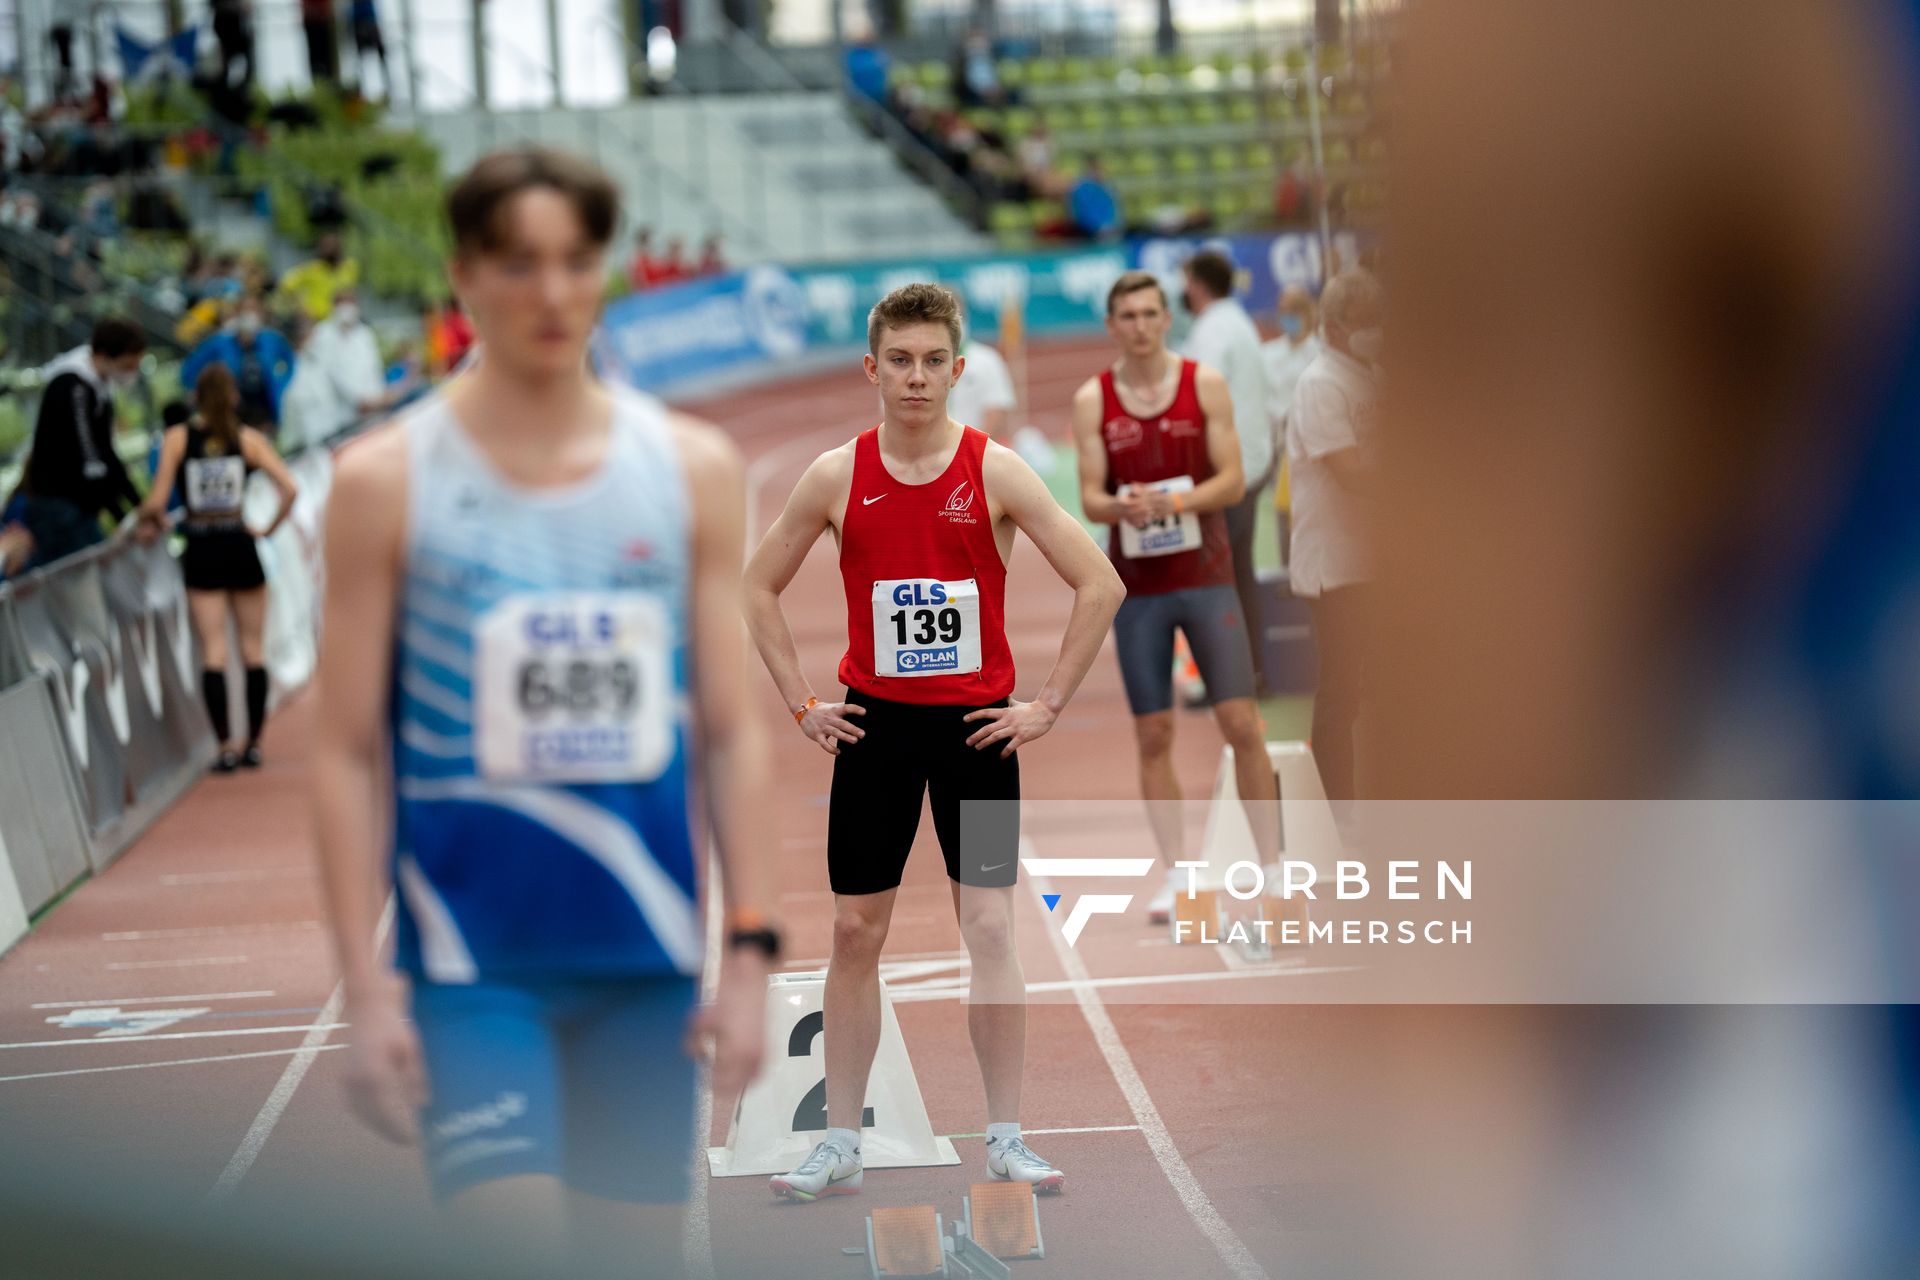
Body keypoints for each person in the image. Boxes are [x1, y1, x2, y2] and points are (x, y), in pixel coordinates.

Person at [310, 146, 774, 1268]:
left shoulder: (691, 468)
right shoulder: (384, 482)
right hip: (474, 967)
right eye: (519, 265)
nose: (553, 294)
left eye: (576, 262)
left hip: (647, 957)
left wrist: (752, 954)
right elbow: (340, 749)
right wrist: (364, 989)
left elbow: (731, 725)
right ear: (465, 274)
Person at [745, 282, 1123, 1201]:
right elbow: (756, 587)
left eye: (934, 362)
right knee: (852, 931)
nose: (918, 378)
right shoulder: (837, 474)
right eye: (901, 361)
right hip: (873, 733)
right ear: (874, 368)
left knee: (989, 926)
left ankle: (1004, 1135)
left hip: (978, 741)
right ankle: (839, 1140)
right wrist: (802, 703)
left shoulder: (994, 471)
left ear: (960, 368)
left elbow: (1099, 583)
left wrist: (1047, 705)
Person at [1070, 271, 1278, 922]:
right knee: (1153, 732)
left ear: (1168, 319)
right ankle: (1179, 875)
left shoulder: (1202, 385)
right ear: (1112, 326)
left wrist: (1179, 500)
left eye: (1149, 313)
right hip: (1140, 591)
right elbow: (1090, 497)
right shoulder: (1093, 400)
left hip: (1206, 576)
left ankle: (1273, 868)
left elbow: (1235, 479)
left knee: (1240, 722)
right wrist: (1124, 506)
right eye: (1126, 315)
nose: (1139, 325)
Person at [137, 365, 298, 771]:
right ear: (234, 398)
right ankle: (254, 743)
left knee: (214, 649)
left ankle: (225, 746)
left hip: (202, 544)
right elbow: (291, 488)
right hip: (239, 540)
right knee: (252, 648)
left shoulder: (178, 439)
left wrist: (151, 518)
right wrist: (266, 529)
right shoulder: (248, 440)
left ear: (195, 398)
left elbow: (157, 501)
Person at [1285, 269, 1381, 803]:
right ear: (1339, 327)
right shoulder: (1321, 382)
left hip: (1376, 560)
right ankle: (1335, 812)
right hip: (1335, 566)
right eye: (1369, 324)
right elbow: (1347, 471)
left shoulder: (1373, 372)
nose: (1379, 331)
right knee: (1342, 691)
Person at [1180, 250, 1273, 693]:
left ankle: (1232, 677)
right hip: (1250, 460)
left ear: (1196, 284)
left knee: (1218, 577)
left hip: (1228, 469)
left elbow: (1200, 397)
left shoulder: (1214, 328)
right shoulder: (1240, 322)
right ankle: (1251, 672)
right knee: (1239, 574)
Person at [17, 318, 147, 566]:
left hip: (80, 506)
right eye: (128, 365)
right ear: (106, 355)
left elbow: (107, 453)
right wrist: (122, 514)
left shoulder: (101, 387)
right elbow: (89, 458)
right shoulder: (73, 385)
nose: (132, 373)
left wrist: (138, 508)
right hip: (59, 506)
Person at [1262, 284, 1321, 570]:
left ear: (1310, 312)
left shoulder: (1322, 352)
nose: (1290, 316)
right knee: (1284, 516)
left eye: (1296, 309)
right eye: (1284, 310)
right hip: (1282, 448)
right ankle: (1288, 573)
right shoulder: (1268, 355)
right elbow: (1264, 401)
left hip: (1319, 448)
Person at [181, 294, 297, 433]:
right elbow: (189, 370)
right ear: (236, 313)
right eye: (244, 309)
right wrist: (201, 391)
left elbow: (290, 360)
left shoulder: (271, 339)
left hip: (263, 411)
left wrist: (280, 384)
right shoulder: (219, 342)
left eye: (253, 309)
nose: (249, 314)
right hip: (232, 413)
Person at [306, 286, 389, 429]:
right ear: (334, 306)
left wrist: (377, 400)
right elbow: (329, 373)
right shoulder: (322, 334)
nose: (347, 307)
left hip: (370, 413)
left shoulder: (364, 334)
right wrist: (358, 401)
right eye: (342, 302)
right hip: (337, 416)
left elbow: (374, 370)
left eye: (350, 302)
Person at [946, 299, 1017, 442]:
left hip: (972, 449)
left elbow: (997, 410)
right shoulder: (920, 364)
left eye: (958, 317)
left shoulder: (987, 360)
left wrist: (973, 449)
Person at [276, 232, 360, 322]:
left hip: (340, 319)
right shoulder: (312, 269)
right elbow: (286, 285)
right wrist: (302, 305)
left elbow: (352, 291)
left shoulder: (349, 268)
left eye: (331, 245)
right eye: (325, 246)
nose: (328, 249)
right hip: (317, 319)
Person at [1067, 159, 1121, 241]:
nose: (1100, 173)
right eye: (1097, 170)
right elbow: (1081, 213)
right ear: (1090, 170)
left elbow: (1114, 209)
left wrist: (1112, 225)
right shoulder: (1083, 189)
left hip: (1110, 230)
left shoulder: (1107, 187)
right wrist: (1099, 227)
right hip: (1091, 233)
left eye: (1101, 169)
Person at [350, 0, 390, 100]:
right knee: (363, 60)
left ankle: (386, 89)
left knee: (379, 58)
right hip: (363, 22)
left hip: (367, 21)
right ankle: (364, 91)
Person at [301, 0, 340, 89]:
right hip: (313, 22)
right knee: (317, 58)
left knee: (326, 57)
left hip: (322, 22)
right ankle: (320, 85)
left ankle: (328, 85)